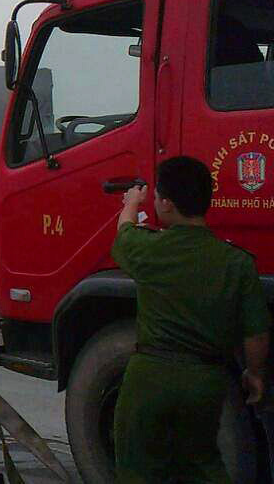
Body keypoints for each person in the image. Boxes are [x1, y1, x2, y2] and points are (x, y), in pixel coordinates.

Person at [111, 156, 269, 483]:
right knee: (202, 463)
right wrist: (254, 374)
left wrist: (131, 202)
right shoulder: (237, 262)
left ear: (167, 205)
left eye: (156, 197)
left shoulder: (149, 250)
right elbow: (256, 333)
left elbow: (123, 232)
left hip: (149, 378)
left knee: (136, 467)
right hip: (205, 381)